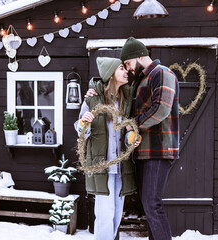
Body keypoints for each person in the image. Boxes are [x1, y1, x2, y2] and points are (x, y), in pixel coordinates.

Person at [86, 38, 180, 240]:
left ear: (138, 56)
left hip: (159, 149)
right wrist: (93, 91)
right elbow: (110, 88)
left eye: (127, 64)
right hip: (142, 151)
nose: (127, 69)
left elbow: (161, 109)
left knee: (152, 204)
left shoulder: (162, 73)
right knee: (148, 205)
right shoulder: (140, 79)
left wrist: (133, 124)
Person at [75, 57, 139, 240]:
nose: (126, 71)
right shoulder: (93, 99)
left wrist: (131, 138)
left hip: (120, 168)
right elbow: (80, 131)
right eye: (121, 68)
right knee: (104, 216)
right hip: (101, 167)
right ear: (110, 75)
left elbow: (127, 131)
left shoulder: (125, 100)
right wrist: (83, 122)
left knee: (116, 216)